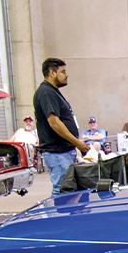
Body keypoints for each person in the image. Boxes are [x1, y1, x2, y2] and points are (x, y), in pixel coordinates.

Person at [33, 57, 88, 196]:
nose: (67, 74)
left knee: (68, 188)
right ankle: (58, 216)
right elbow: (54, 123)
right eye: (63, 71)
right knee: (63, 189)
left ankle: (66, 216)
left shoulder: (53, 91)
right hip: (57, 152)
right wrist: (78, 143)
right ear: (52, 73)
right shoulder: (46, 92)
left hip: (64, 151)